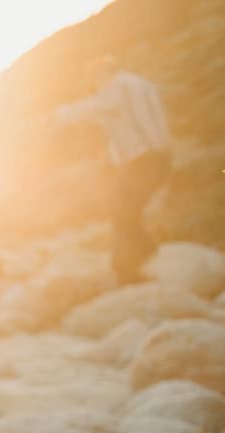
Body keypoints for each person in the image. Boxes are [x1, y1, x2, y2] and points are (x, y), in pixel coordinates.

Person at [56, 56, 173, 284]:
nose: (93, 85)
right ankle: (146, 252)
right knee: (127, 211)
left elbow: (94, 106)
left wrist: (61, 114)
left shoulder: (117, 86)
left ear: (101, 73)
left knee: (121, 212)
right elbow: (114, 116)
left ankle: (129, 271)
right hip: (158, 156)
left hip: (142, 158)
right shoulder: (142, 85)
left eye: (93, 79)